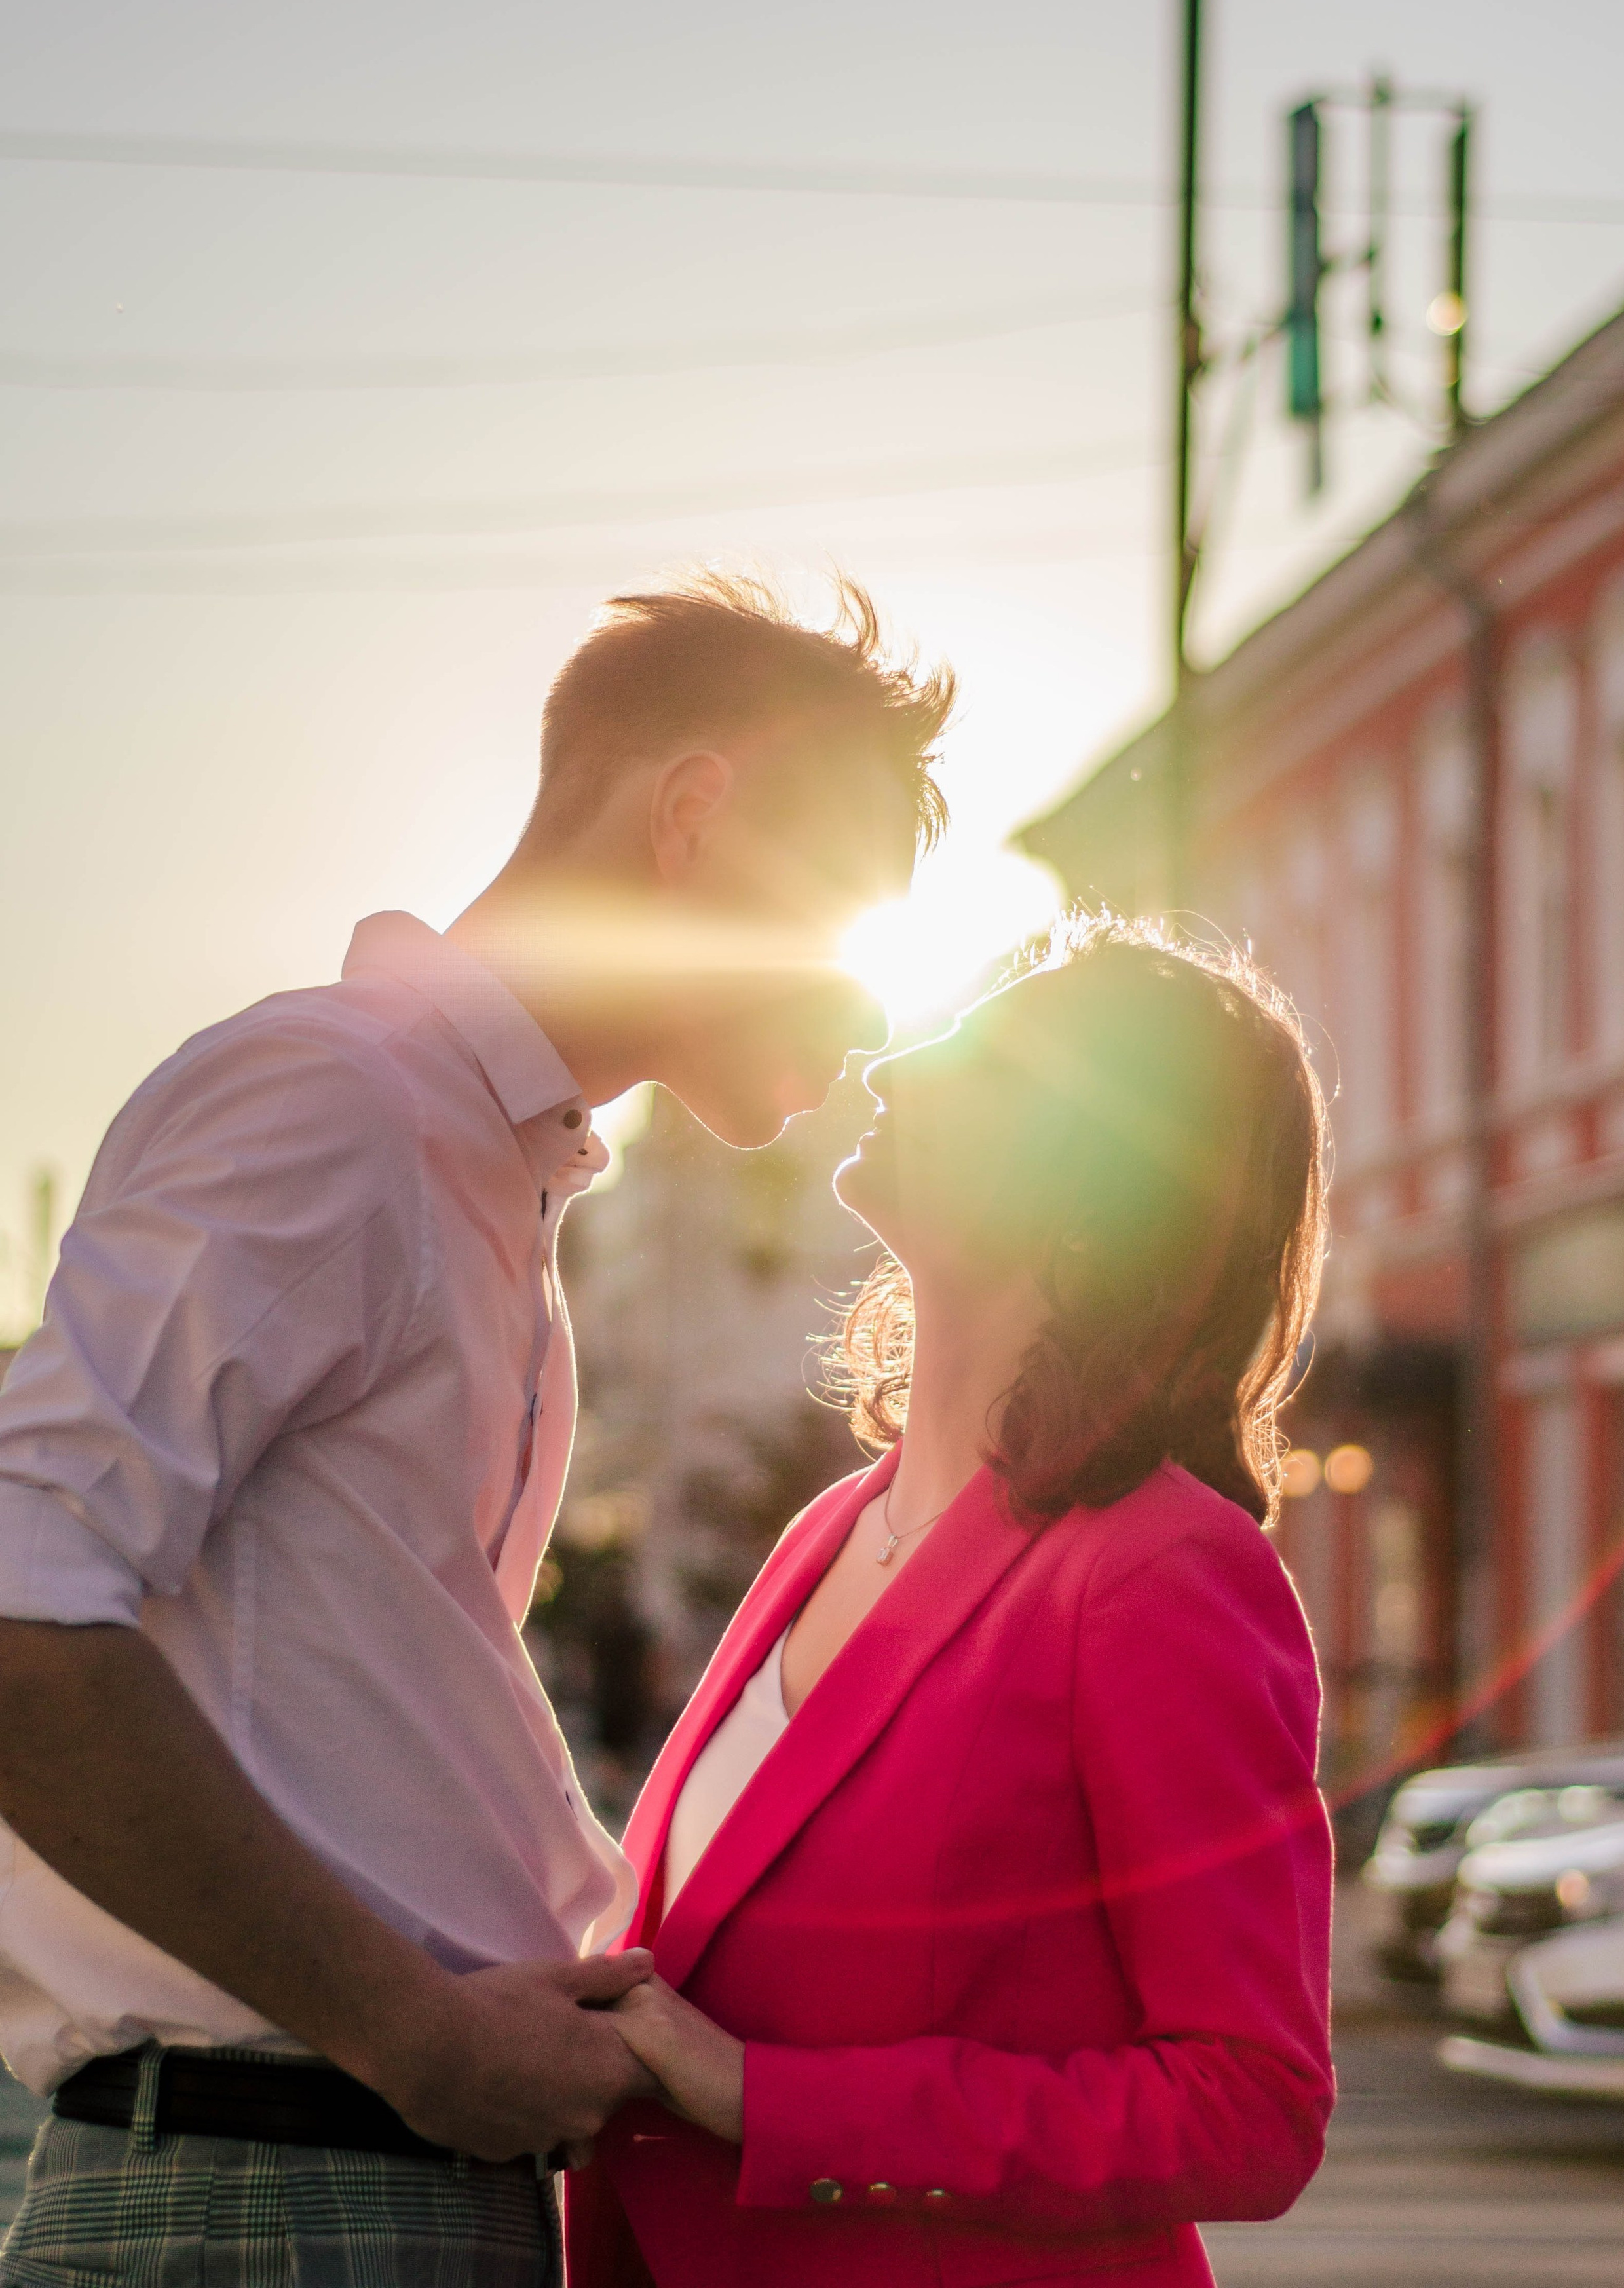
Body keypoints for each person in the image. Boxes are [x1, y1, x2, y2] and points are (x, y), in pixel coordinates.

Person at [0, 576, 954, 2287]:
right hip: (278, 2191)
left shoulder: (492, 1184)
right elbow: (13, 1604)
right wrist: (419, 2038)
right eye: (851, 915)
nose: (873, 1008)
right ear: (692, 815)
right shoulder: (338, 1102)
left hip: (362, 2170)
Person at [569, 916, 1336, 2288]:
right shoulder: (825, 1532)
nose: (892, 1059)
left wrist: (765, 2099)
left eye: (979, 1066)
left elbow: (1249, 2107)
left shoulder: (1158, 1567)